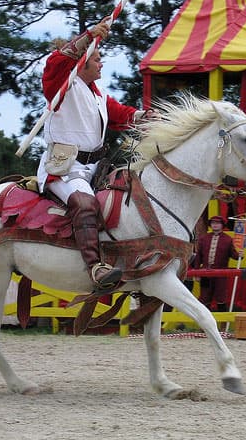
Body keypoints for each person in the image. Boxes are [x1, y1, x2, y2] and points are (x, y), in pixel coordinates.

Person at [38, 18, 152, 291]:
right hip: (66, 168)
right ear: (82, 63)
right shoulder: (62, 85)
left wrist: (146, 118)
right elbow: (55, 64)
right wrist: (88, 37)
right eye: (97, 59)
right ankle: (95, 267)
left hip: (95, 168)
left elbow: (119, 114)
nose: (102, 64)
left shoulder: (97, 94)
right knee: (86, 204)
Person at [193, 216, 241, 312]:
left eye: (217, 223)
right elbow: (198, 257)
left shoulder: (228, 239)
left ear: (222, 225)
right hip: (205, 273)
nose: (215, 225)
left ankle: (223, 324)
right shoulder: (204, 238)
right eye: (213, 223)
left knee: (221, 297)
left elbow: (233, 255)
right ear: (210, 225)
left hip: (221, 274)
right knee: (205, 297)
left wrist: (240, 255)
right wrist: (197, 272)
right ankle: (204, 324)